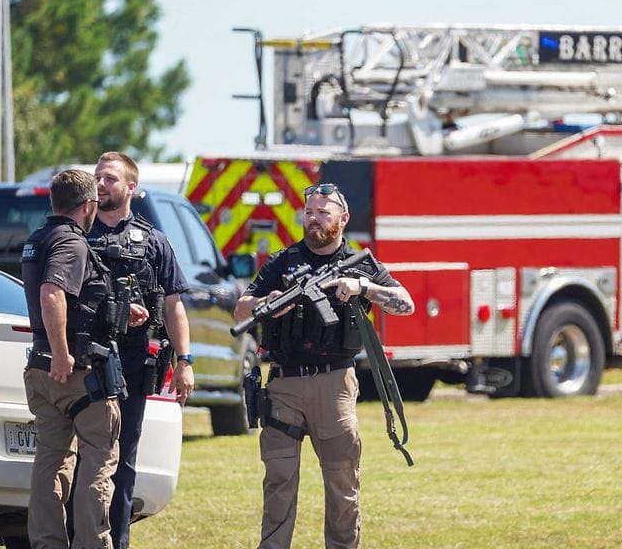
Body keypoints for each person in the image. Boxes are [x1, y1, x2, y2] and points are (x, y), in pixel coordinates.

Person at [235, 183, 415, 549]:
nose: (314, 220)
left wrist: (363, 287)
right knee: (279, 483)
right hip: (283, 386)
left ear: (343, 219)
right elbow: (241, 309)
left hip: (334, 386)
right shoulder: (284, 262)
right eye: (309, 212)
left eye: (323, 213)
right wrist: (270, 301)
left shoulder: (362, 264)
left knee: (342, 485)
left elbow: (405, 303)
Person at [22, 169, 146, 548]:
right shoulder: (71, 243)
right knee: (97, 466)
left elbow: (73, 302)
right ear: (88, 205)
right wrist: (63, 354)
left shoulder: (37, 238)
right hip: (78, 373)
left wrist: (122, 312)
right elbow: (52, 294)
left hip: (42, 372)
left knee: (50, 464)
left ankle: (47, 543)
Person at [86, 151, 194, 549]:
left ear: (132, 187)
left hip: (131, 360)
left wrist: (185, 362)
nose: (100, 184)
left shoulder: (153, 241)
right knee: (79, 455)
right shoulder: (77, 234)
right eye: (97, 177)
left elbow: (173, 306)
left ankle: (117, 540)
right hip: (84, 358)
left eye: (110, 178)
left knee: (124, 457)